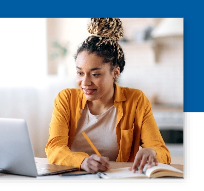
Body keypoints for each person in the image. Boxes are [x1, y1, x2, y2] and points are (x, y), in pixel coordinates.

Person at [45, 18, 171, 174]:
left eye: (95, 74)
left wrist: (152, 153)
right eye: (80, 73)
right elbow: (54, 147)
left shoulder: (136, 100)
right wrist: (82, 161)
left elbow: (163, 152)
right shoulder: (65, 99)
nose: (85, 82)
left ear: (115, 72)